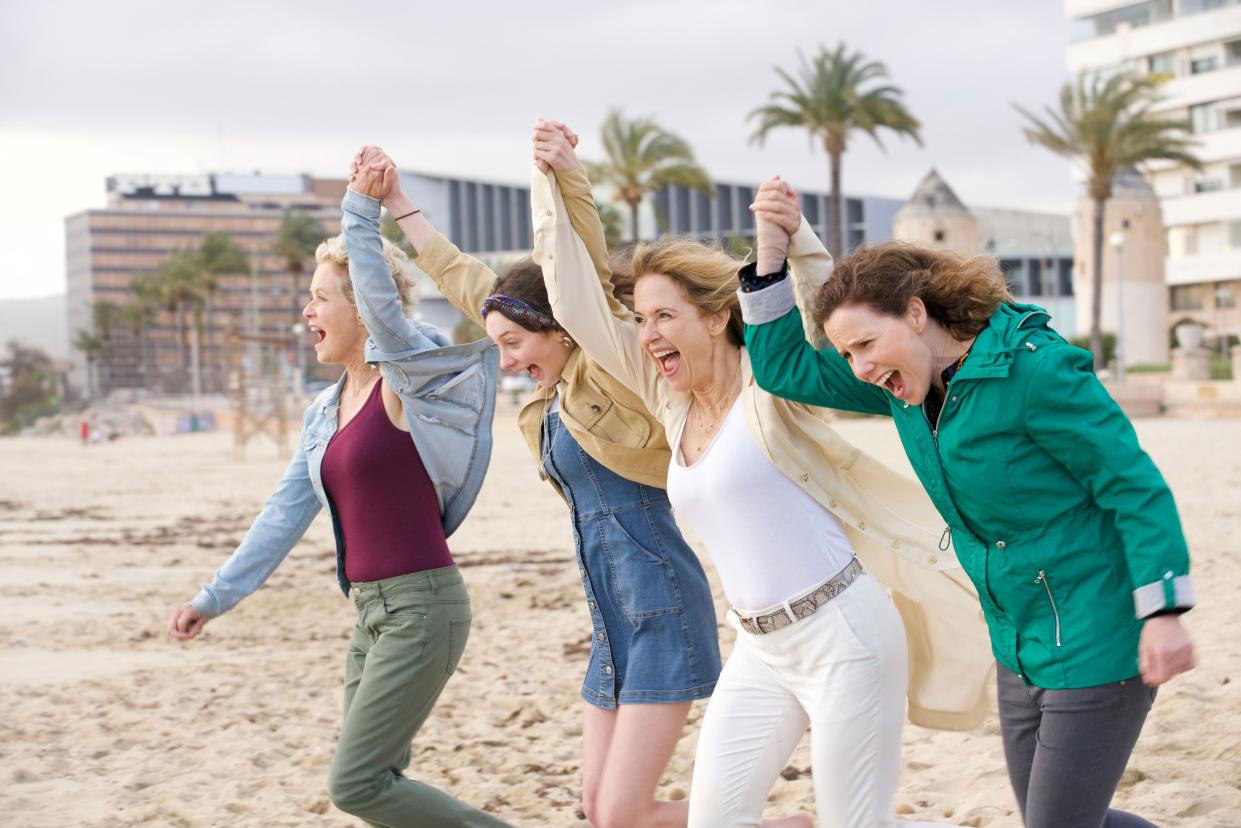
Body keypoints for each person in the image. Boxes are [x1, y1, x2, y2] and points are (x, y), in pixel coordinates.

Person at [534, 151, 991, 827]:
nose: (646, 333)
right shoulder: (667, 399)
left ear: (716, 317)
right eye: (640, 319)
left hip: (844, 636)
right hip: (760, 648)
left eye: (663, 316)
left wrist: (794, 236)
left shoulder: (770, 383)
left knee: (855, 823)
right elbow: (574, 301)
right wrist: (557, 181)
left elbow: (825, 316)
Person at [740, 181, 1197, 828]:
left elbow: (1132, 486)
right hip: (1015, 640)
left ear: (918, 313)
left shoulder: (1035, 372)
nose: (859, 367)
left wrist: (1165, 610)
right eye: (847, 353)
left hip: (1097, 632)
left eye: (866, 344)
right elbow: (785, 370)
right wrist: (770, 248)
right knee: (1061, 819)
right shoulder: (905, 387)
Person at [352, 127, 722, 828]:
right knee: (596, 808)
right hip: (608, 617)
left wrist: (566, 179)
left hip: (660, 603)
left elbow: (578, 268)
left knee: (622, 814)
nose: (509, 362)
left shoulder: (610, 368)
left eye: (514, 344)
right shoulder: (550, 399)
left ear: (559, 326)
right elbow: (467, 282)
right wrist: (397, 200)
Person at [166, 160, 508, 827]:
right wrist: (213, 597)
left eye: (321, 296)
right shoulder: (325, 412)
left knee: (356, 785)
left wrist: (358, 207)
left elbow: (384, 304)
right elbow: (284, 513)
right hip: (370, 613)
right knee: (380, 781)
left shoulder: (411, 379)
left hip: (422, 608)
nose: (307, 310)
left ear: (360, 308)